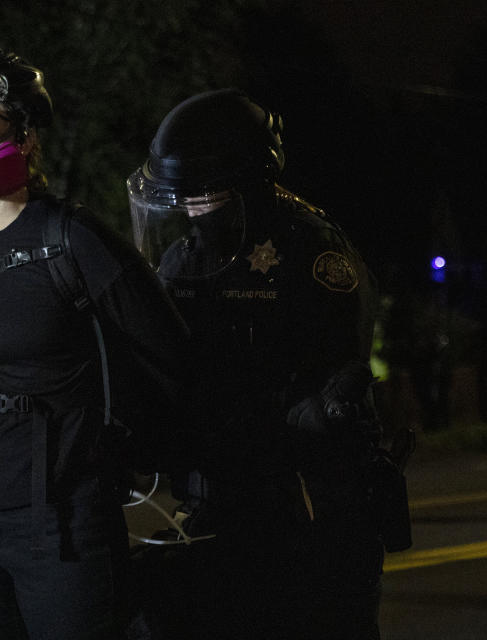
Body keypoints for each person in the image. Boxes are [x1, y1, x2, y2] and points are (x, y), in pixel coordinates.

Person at [0, 46, 188, 640]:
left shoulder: (73, 238)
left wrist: (141, 460)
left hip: (59, 518)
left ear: (26, 137)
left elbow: (168, 354)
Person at [126, 88, 411, 640]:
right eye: (177, 196)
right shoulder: (187, 255)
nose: (185, 207)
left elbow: (339, 375)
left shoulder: (313, 250)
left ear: (246, 186)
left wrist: (312, 407)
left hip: (306, 499)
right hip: (218, 493)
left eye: (199, 194)